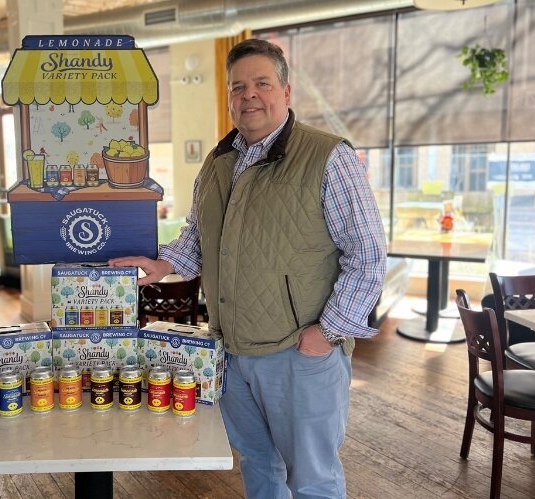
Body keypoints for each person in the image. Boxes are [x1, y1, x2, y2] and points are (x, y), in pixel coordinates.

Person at [111, 38, 386, 499]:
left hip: (299, 354)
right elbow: (198, 238)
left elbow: (369, 253)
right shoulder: (218, 163)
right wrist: (161, 263)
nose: (249, 95)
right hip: (232, 352)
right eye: (238, 87)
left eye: (262, 83)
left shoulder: (328, 157)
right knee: (258, 465)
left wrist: (327, 332)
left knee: (314, 479)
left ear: (286, 92)